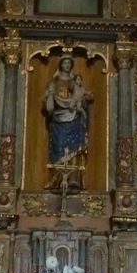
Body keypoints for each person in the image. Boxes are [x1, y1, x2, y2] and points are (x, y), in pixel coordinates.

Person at [43, 55, 92, 188]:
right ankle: (56, 180)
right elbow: (47, 104)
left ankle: (73, 179)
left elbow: (81, 99)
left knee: (73, 149)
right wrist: (50, 97)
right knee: (58, 148)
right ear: (60, 65)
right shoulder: (54, 82)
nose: (67, 65)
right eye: (64, 63)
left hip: (73, 118)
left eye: (69, 63)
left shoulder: (75, 83)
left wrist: (79, 102)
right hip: (58, 120)